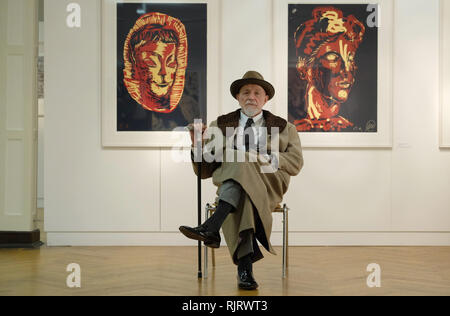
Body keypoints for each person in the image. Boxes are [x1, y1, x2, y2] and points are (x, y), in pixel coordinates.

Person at [179, 71, 304, 290]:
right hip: (236, 187)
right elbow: (204, 170)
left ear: (265, 99)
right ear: (238, 97)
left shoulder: (285, 127)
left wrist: (258, 158)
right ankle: (244, 269)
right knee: (241, 185)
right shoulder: (219, 125)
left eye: (257, 92)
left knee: (241, 158)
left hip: (269, 183)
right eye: (246, 92)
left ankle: (212, 225)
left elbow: (294, 163)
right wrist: (196, 145)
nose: (251, 96)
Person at [291, 7, 365, 132]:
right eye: (332, 57)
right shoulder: (293, 128)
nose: (347, 69)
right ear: (304, 68)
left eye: (350, 58)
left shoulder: (351, 128)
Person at [122, 12, 188, 113]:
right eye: (152, 62)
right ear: (135, 61)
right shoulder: (127, 104)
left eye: (170, 63)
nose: (163, 72)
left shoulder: (186, 105)